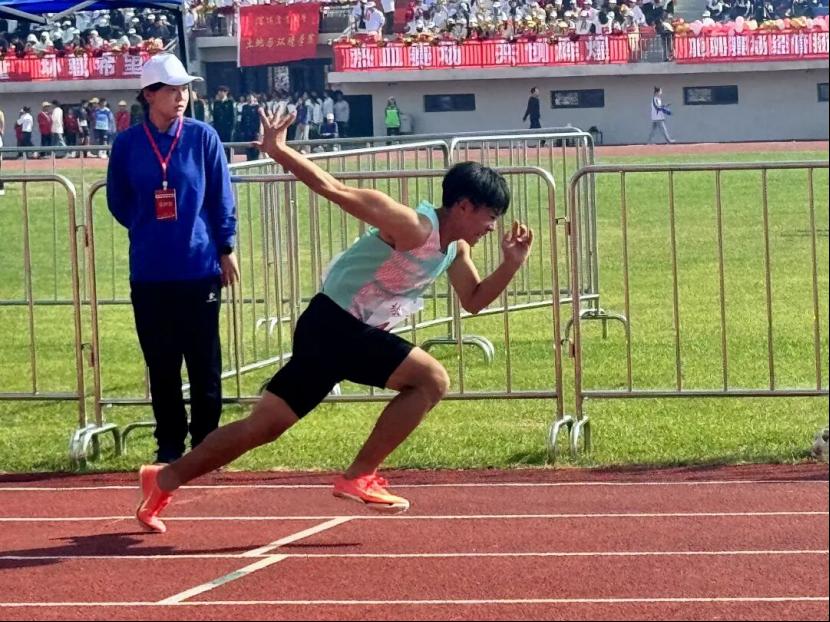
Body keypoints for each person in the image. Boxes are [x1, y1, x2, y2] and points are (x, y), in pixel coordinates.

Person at [134, 105, 534, 533]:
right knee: (431, 379)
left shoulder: (455, 250)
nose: (491, 227)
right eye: (490, 216)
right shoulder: (411, 225)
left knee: (262, 427)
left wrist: (511, 265)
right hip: (334, 324)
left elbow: (473, 300)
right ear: (464, 206)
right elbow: (333, 188)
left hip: (339, 334)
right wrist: (278, 150)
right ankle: (359, 475)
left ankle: (164, 478)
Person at [107, 53, 239, 466]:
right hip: (150, 272)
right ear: (149, 94)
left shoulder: (203, 137)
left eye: (185, 89)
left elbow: (221, 196)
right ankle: (168, 443)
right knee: (161, 363)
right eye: (172, 89)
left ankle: (207, 442)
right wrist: (147, 227)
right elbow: (118, 199)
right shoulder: (128, 144)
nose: (182, 96)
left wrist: (226, 247)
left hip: (199, 267)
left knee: (204, 362)